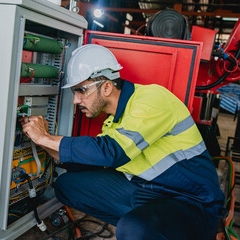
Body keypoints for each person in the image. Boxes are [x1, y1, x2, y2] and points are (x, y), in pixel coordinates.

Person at [21, 44, 225, 240]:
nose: (75, 100)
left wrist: (46, 137)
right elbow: (86, 159)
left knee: (132, 230)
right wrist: (40, 139)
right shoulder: (113, 122)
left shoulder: (151, 99)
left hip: (191, 201)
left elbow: (111, 151)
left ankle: (175, 231)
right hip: (148, 190)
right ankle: (147, 225)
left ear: (107, 87)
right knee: (67, 186)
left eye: (81, 90)